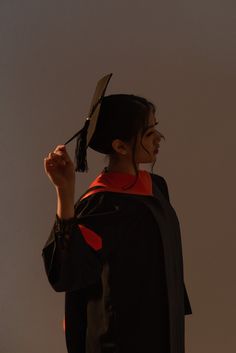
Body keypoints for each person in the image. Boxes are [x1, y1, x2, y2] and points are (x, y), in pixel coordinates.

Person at [42, 89, 192, 353]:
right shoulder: (102, 203)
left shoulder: (156, 186)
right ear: (120, 146)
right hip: (120, 339)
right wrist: (65, 192)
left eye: (155, 128)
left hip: (161, 329)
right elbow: (67, 273)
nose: (159, 138)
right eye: (148, 133)